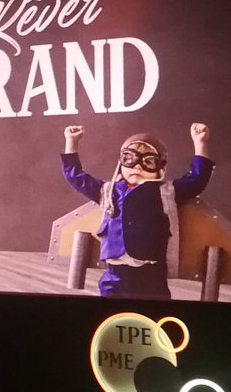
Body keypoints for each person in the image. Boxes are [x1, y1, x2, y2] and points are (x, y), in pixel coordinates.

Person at [61, 123, 214, 299]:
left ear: (160, 168)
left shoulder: (167, 192)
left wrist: (200, 143)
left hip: (151, 276)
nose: (137, 167)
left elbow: (197, 179)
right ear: (121, 163)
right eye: (130, 159)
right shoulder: (108, 190)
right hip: (114, 275)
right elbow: (76, 177)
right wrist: (71, 142)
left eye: (148, 162)